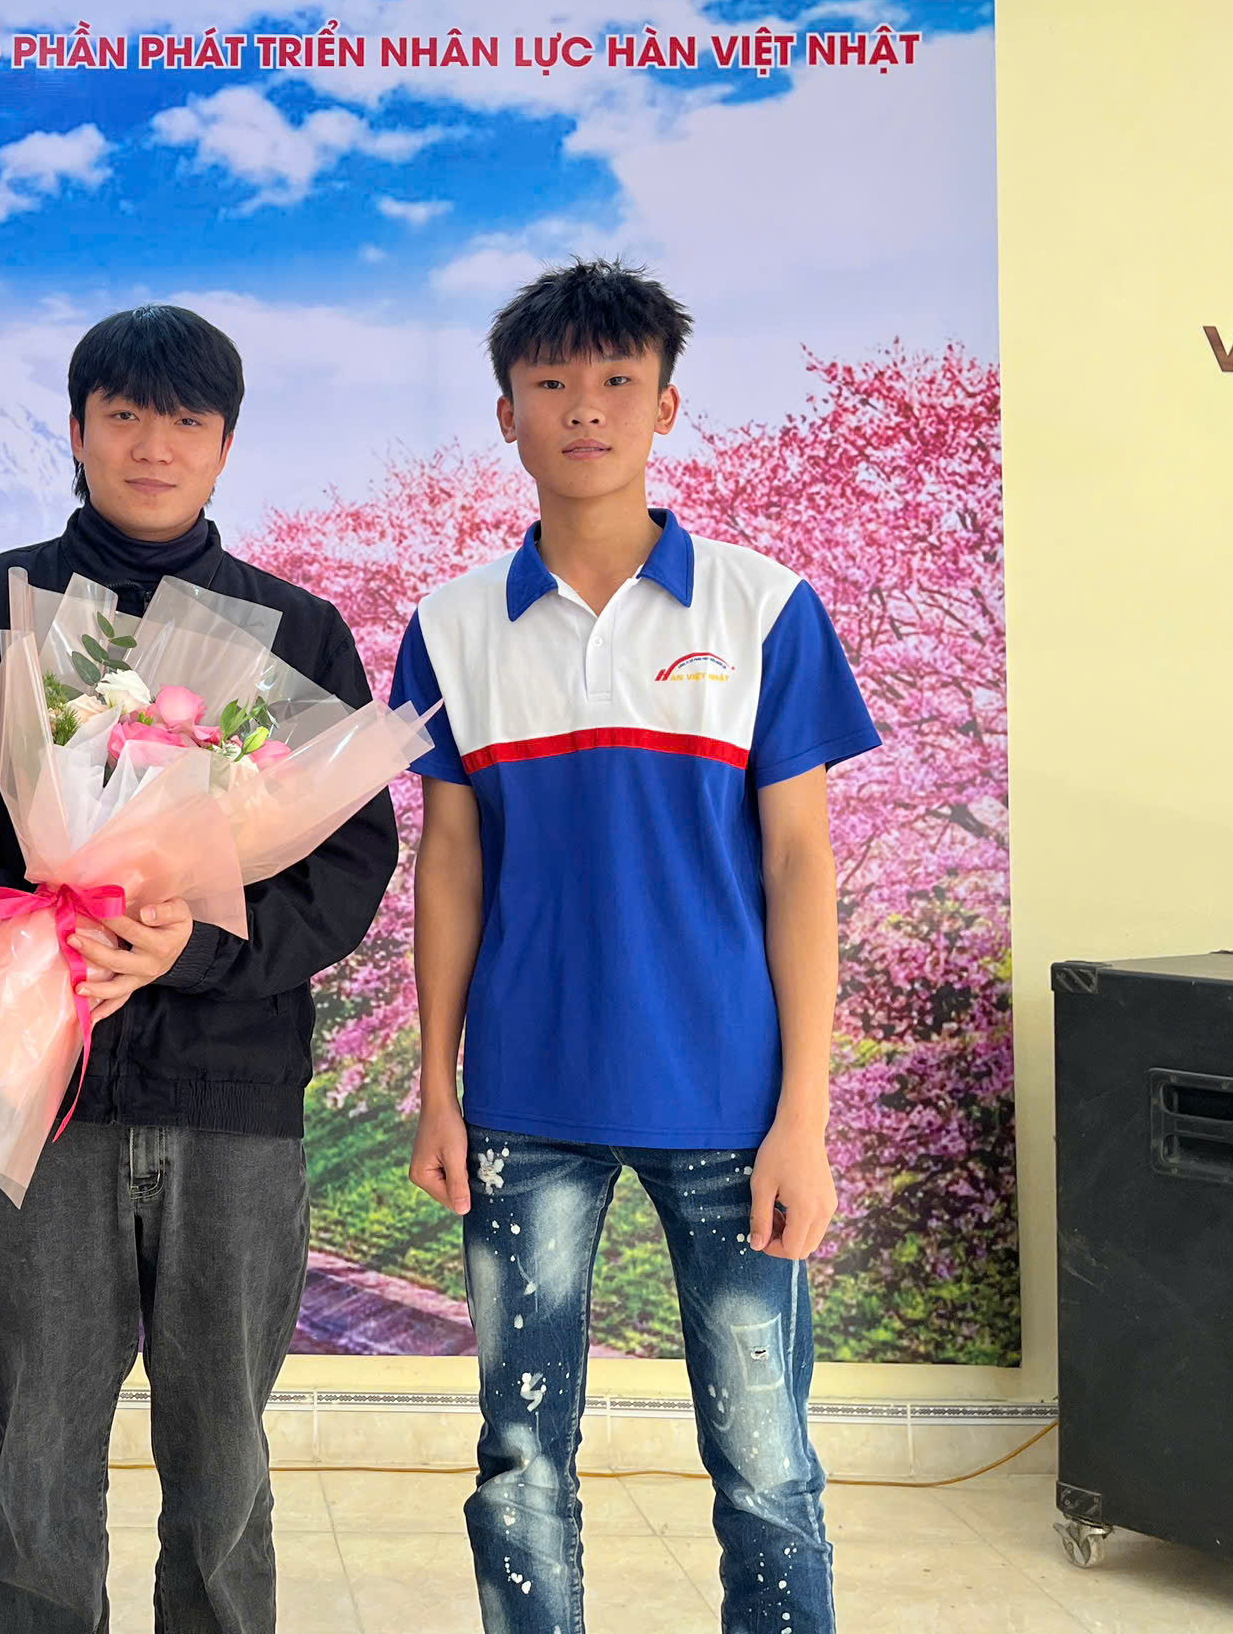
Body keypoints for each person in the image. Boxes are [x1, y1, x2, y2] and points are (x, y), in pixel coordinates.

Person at [0, 303, 400, 1634]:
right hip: (40, 1098)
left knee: (223, 1468)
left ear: (225, 445)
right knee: (41, 1464)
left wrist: (194, 944)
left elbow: (347, 867)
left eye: (185, 420)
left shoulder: (296, 632)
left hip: (235, 1102)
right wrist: (42, 926)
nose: (153, 445)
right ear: (77, 431)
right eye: (124, 415)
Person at [393, 260, 881, 1634]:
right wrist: (438, 1085)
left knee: (766, 1461)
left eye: (617, 381)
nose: (585, 410)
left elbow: (800, 866)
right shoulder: (451, 628)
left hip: (731, 1105)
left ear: (666, 406)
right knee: (519, 1457)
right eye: (551, 383)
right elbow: (449, 862)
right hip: (523, 1100)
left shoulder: (762, 608)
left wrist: (804, 1120)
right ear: (507, 413)